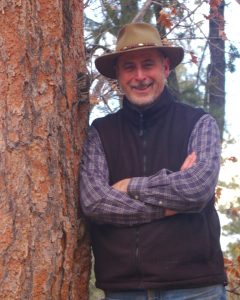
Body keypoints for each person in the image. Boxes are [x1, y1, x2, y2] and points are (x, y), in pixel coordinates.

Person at [80, 22, 227, 300]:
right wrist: (170, 206)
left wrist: (129, 186)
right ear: (118, 76)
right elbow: (95, 202)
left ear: (166, 68)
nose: (139, 76)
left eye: (148, 65)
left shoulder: (198, 123)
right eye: (129, 68)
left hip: (195, 287)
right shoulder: (100, 132)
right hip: (124, 290)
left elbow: (196, 190)